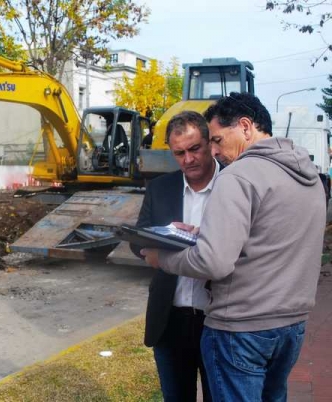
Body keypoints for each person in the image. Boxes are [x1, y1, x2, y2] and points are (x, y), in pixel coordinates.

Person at [141, 92, 327, 401]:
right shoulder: (307, 175)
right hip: (291, 325)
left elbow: (213, 263)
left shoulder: (238, 176)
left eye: (215, 141)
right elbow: (273, 238)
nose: (214, 152)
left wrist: (164, 258)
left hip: (242, 327)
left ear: (244, 126)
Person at [137, 110, 218, 401]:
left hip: (218, 321)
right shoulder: (160, 188)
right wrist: (165, 232)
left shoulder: (233, 184)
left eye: (195, 149)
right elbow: (138, 241)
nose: (188, 159)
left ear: (210, 143)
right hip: (170, 319)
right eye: (179, 153)